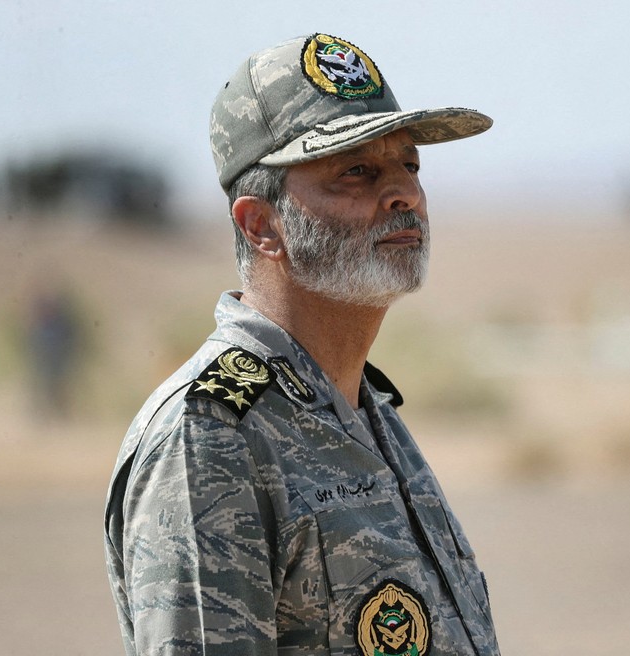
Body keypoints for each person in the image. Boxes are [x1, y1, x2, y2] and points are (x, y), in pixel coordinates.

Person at [104, 33, 499, 656]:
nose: (404, 193)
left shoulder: (362, 406)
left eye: (410, 166)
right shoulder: (210, 436)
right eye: (356, 171)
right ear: (261, 225)